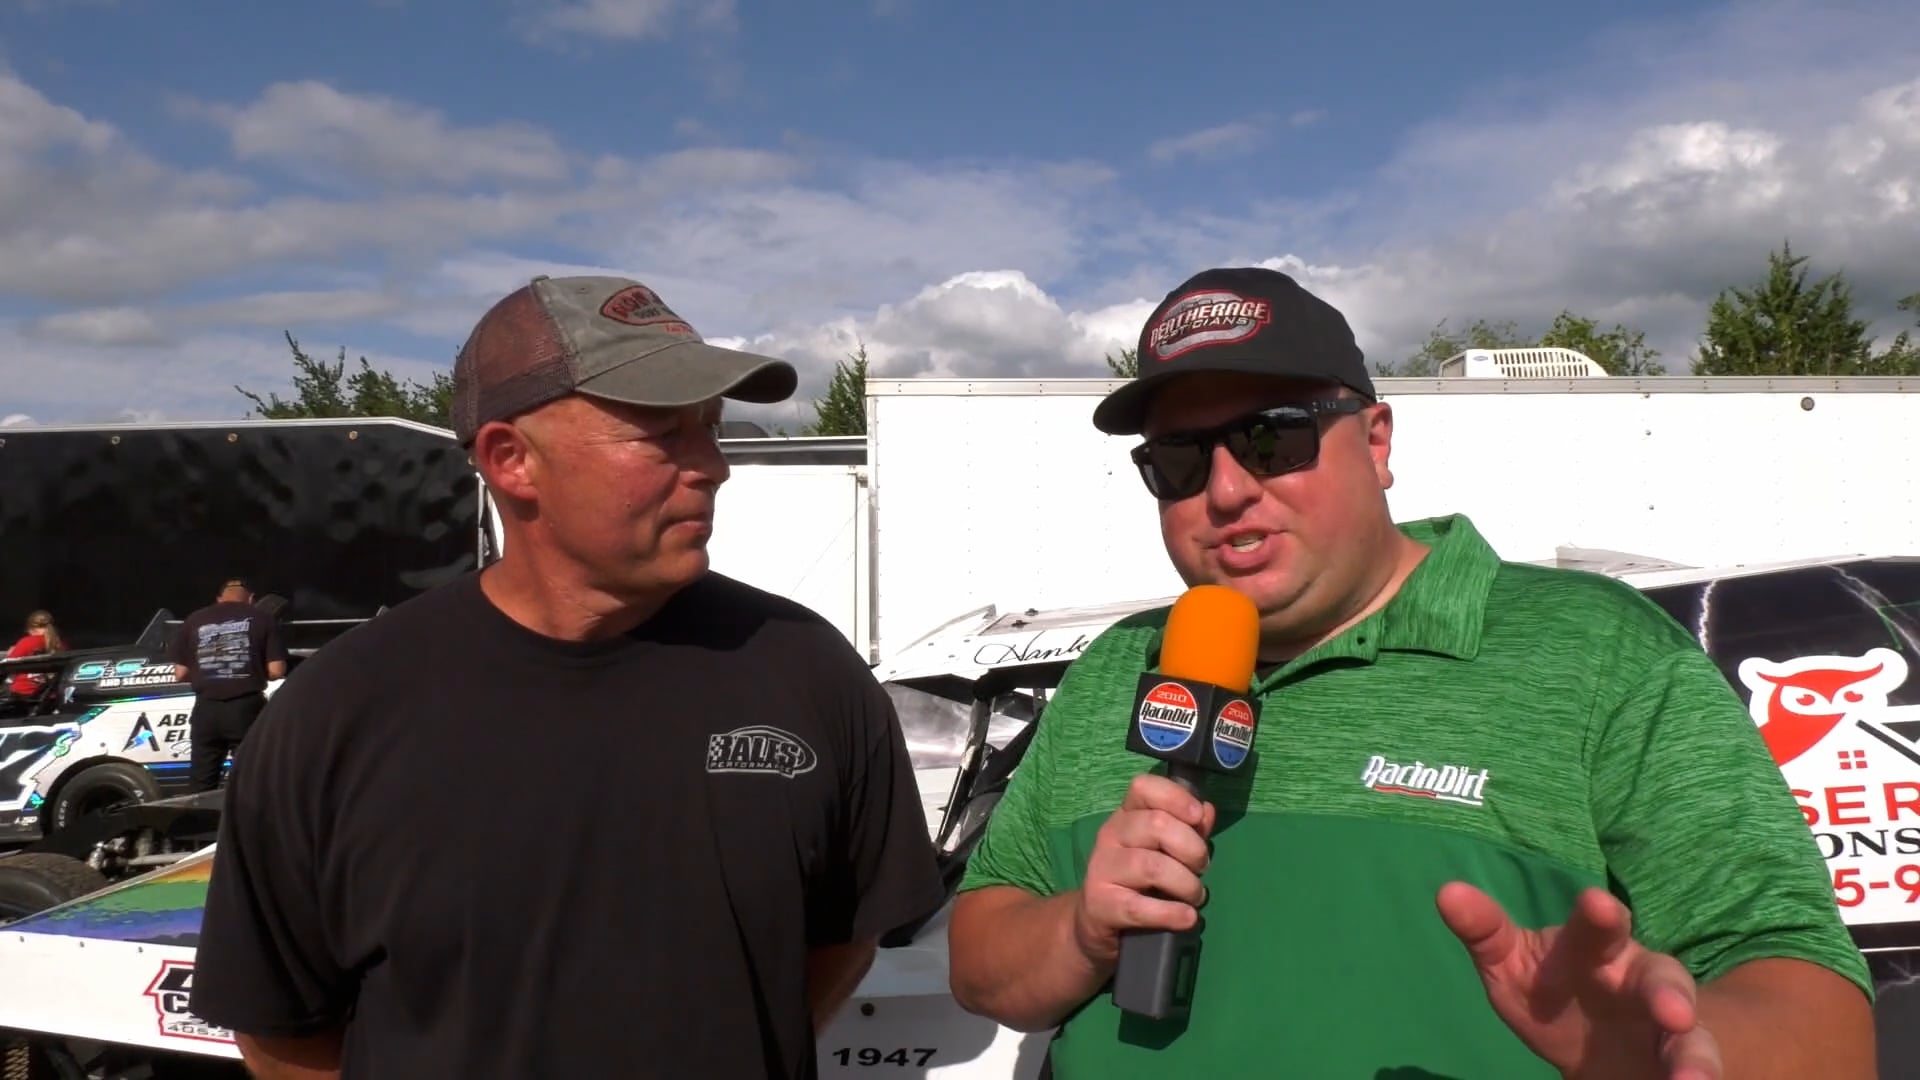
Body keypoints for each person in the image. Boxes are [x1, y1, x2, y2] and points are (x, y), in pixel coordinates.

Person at [945, 266, 1877, 1078]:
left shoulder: (1596, 651)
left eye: (1273, 437)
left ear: (1378, 442)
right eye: (1181, 460)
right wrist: (1081, 928)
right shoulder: (1119, 668)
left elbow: (1802, 984)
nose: (1226, 490)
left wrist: (1689, 1047)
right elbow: (982, 962)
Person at [189, 274, 946, 1079]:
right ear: (512, 460)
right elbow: (280, 1032)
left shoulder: (803, 669)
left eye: (712, 429)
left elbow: (848, 933)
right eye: (663, 433)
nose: (713, 466)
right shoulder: (339, 711)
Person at [167, 578, 289, 792]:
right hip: (245, 708)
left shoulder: (195, 619)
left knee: (201, 784)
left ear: (219, 599)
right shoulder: (263, 619)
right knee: (251, 780)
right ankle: (245, 823)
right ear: (251, 599)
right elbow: (277, 670)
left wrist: (210, 673)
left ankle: (200, 824)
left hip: (206, 710)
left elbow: (180, 673)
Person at [4, 609, 64, 708]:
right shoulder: (60, 644)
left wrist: (10, 653)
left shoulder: (27, 642)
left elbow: (9, 665)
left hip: (24, 693)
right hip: (50, 695)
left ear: (31, 628)